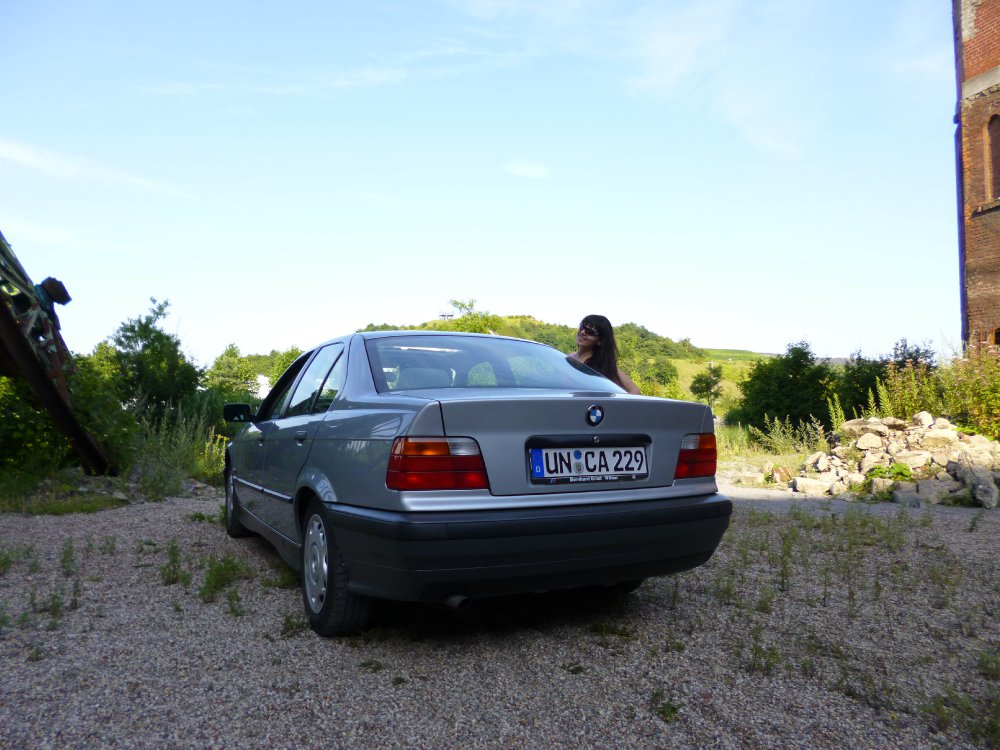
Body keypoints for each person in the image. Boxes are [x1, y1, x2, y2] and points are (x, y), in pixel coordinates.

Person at [568, 314, 642, 394]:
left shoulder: (602, 365)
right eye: (582, 327)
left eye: (590, 332)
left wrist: (617, 406)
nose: (582, 332)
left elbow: (635, 391)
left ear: (600, 341)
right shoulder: (568, 357)